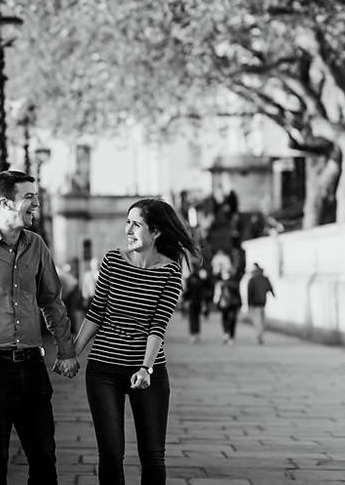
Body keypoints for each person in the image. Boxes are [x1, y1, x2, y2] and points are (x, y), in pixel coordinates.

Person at [0, 170, 79, 485]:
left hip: (32, 366)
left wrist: (66, 350)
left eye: (35, 196)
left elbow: (52, 300)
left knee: (45, 455)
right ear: (5, 202)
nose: (36, 203)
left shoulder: (36, 245)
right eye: (29, 197)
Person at [72, 197, 199, 485]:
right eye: (127, 222)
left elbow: (158, 325)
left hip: (147, 371)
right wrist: (72, 353)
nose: (128, 229)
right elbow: (96, 312)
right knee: (111, 455)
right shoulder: (113, 260)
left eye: (136, 224)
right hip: (103, 369)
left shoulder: (170, 271)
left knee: (153, 456)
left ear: (156, 232)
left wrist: (146, 368)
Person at [246, 263, 276, 344]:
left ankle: (259, 334)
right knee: (261, 319)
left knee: (258, 320)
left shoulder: (252, 280)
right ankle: (261, 333)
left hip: (255, 303)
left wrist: (249, 304)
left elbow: (249, 292)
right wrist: (273, 295)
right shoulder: (265, 278)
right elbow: (270, 287)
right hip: (263, 301)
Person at [214, 268, 242, 344]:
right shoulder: (235, 283)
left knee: (225, 319)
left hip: (225, 304)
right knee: (232, 320)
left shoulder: (220, 283)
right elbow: (238, 294)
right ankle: (231, 336)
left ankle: (226, 334)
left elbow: (217, 295)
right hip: (233, 304)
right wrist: (240, 303)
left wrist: (216, 303)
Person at [181, 269, 204, 343]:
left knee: (193, 319)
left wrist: (185, 300)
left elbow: (186, 291)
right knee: (196, 318)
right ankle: (196, 334)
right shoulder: (199, 279)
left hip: (192, 302)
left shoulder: (189, 279)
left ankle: (194, 334)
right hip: (197, 302)